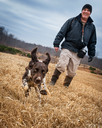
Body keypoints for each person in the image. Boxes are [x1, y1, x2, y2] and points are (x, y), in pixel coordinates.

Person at [49, 4, 97, 87]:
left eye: (88, 10)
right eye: (84, 9)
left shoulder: (92, 27)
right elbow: (62, 32)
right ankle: (52, 82)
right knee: (62, 65)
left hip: (78, 51)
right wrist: (56, 43)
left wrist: (92, 54)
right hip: (67, 46)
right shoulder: (72, 20)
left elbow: (92, 42)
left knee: (71, 72)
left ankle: (65, 86)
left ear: (90, 13)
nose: (86, 11)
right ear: (82, 11)